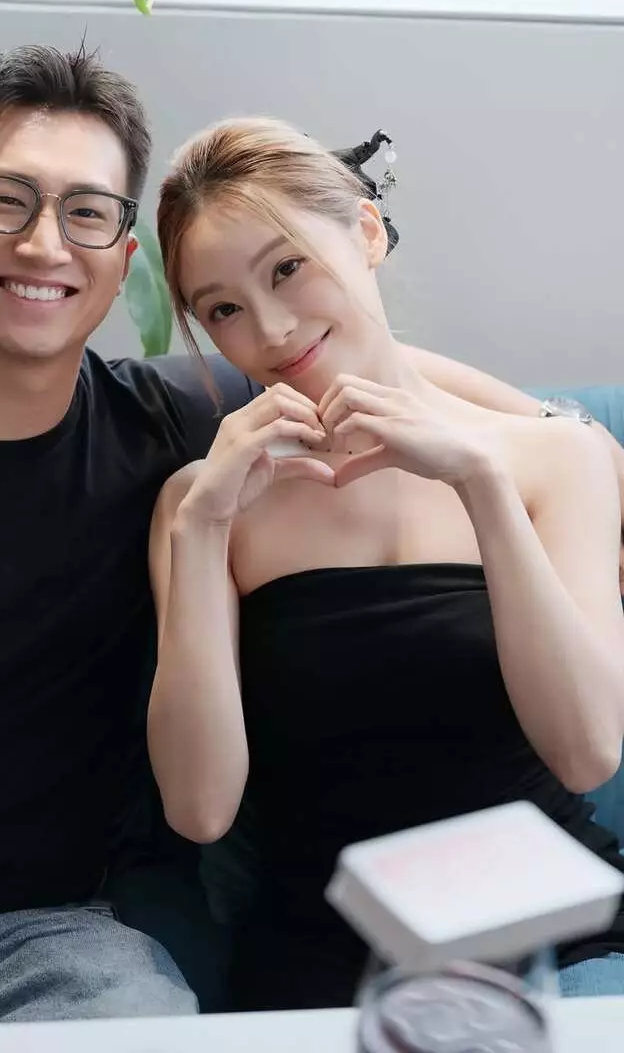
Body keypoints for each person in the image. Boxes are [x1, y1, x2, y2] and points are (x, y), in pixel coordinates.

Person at [0, 47, 616, 1053]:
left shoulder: (165, 421)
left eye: (84, 212)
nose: (44, 245)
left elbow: (338, 349)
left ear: (119, 264)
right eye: (4, 202)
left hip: (55, 949)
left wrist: (558, 441)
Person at [146, 115, 624, 1011]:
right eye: (223, 311)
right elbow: (200, 809)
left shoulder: (552, 459)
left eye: (287, 268)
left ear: (367, 232)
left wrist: (480, 484)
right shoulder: (200, 505)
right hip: (325, 955)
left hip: (558, 936)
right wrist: (204, 525)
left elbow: (588, 752)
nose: (273, 330)